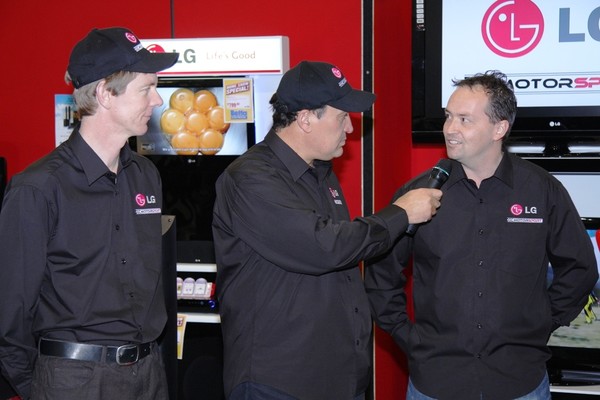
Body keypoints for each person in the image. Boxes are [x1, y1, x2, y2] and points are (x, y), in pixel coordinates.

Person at [211, 60, 443, 400]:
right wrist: (401, 215)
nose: (350, 128)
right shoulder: (251, 178)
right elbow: (325, 247)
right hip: (278, 381)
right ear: (305, 118)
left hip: (334, 376)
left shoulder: (321, 174)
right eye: (341, 117)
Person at [365, 70, 599, 400]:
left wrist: (542, 322)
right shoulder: (418, 193)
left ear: (499, 128)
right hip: (436, 382)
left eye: (464, 119)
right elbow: (381, 276)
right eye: (448, 117)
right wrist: (408, 337)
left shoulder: (541, 190)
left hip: (519, 381)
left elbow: (580, 268)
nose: (449, 129)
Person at [0, 27, 179, 400]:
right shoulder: (37, 188)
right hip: (72, 380)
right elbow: (10, 312)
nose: (158, 100)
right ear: (104, 94)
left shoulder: (146, 176)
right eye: (146, 88)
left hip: (149, 374)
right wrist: (38, 388)